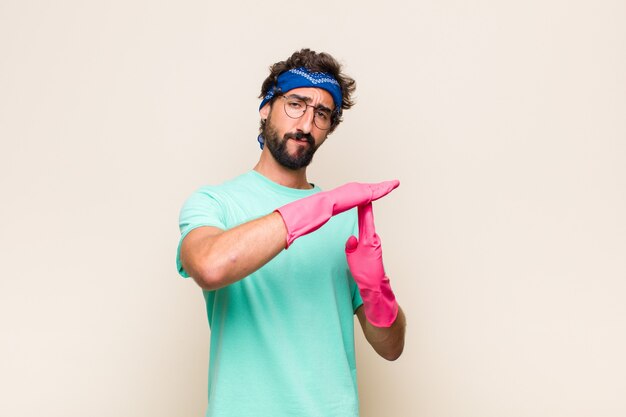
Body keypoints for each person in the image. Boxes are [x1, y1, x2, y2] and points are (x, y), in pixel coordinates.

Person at [176, 48, 406, 417]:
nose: (306, 124)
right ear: (266, 107)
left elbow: (391, 348)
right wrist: (317, 208)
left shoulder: (346, 220)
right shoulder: (215, 203)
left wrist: (377, 292)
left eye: (322, 114)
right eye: (296, 103)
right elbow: (209, 266)